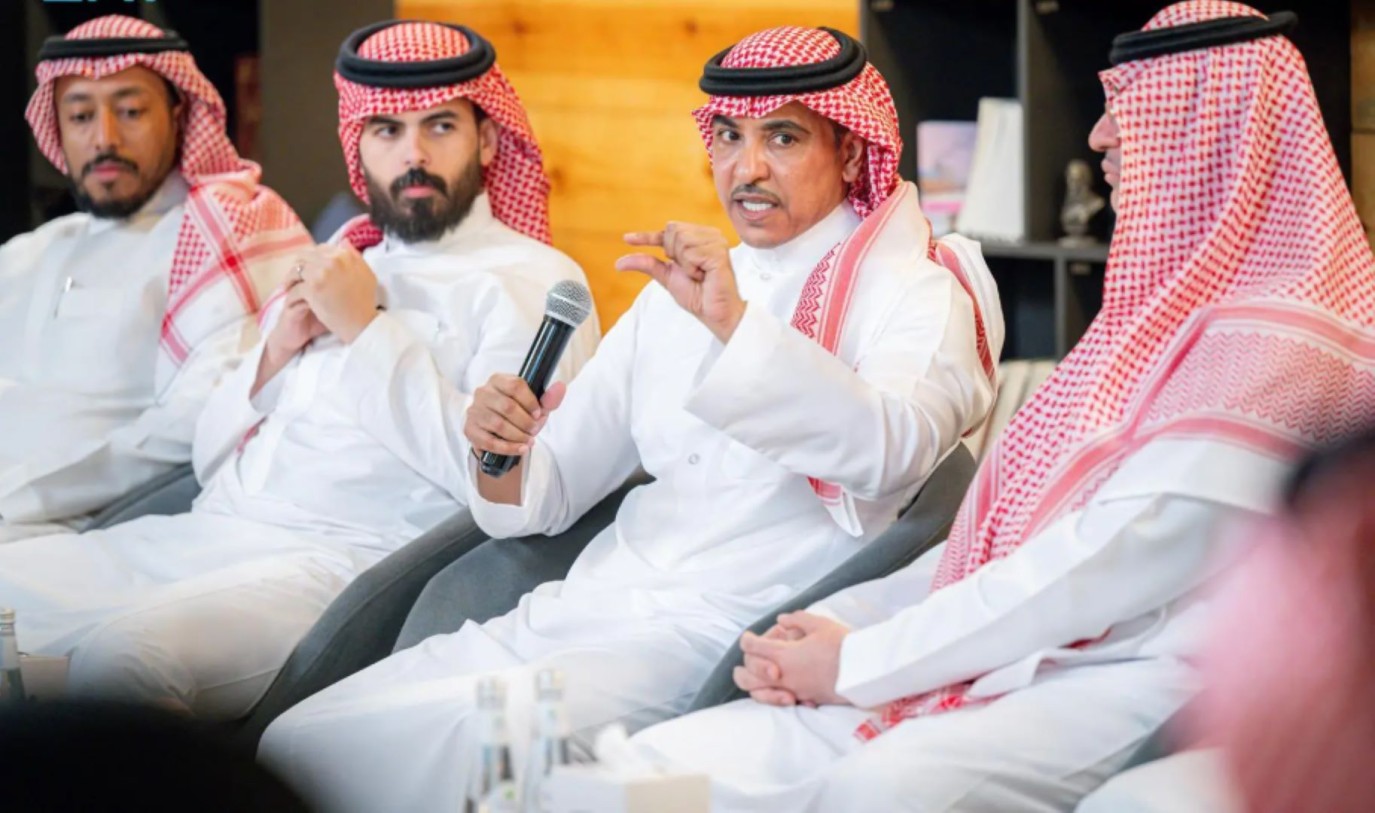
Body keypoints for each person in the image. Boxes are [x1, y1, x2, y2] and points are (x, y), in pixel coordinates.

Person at [624, 4, 1375, 811]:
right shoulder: (1159, 320)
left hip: (1121, 673)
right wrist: (849, 621)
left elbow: (1094, 569)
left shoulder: (1288, 350)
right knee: (661, 765)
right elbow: (1006, 536)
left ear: (1218, 136)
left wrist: (865, 658)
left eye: (1129, 110)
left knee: (881, 788)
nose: (1097, 137)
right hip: (993, 644)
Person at [258, 25, 1002, 813]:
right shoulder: (677, 293)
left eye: (781, 138)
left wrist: (734, 328)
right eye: (728, 136)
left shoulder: (916, 291)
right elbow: (538, 501)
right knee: (298, 740)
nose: (747, 167)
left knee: (467, 753)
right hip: (580, 607)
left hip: (707, 634)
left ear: (850, 152)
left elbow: (892, 452)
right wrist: (499, 448)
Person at [0, 20, 597, 721]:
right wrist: (278, 348)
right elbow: (208, 456)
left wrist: (366, 331)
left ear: (487, 139)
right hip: (204, 535)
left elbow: (498, 491)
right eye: (386, 130)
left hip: (331, 562)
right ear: (357, 145)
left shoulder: (530, 282)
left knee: (125, 658)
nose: (413, 155)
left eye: (440, 127)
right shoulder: (344, 261)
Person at [0, 15, 309, 542]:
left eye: (130, 111)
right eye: (80, 116)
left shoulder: (220, 231)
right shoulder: (30, 252)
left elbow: (196, 422)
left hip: (77, 523)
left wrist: (20, 495)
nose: (105, 138)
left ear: (178, 113)